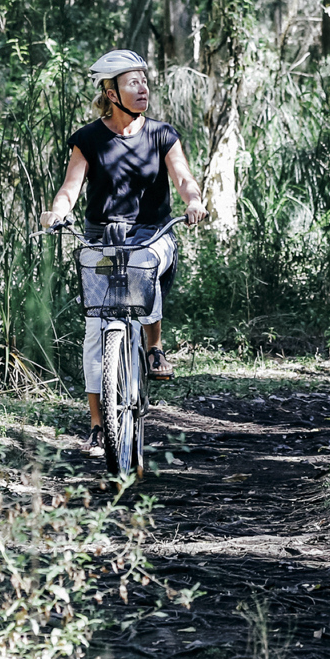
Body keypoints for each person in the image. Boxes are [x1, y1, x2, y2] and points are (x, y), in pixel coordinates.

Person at [41, 50, 207, 457]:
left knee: (144, 267)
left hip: (152, 234)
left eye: (144, 81)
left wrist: (193, 200)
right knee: (94, 332)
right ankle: (98, 425)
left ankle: (154, 347)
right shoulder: (88, 139)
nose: (143, 88)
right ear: (112, 93)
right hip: (102, 240)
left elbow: (183, 177)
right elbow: (70, 188)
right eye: (133, 82)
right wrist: (57, 212)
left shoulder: (162, 134)